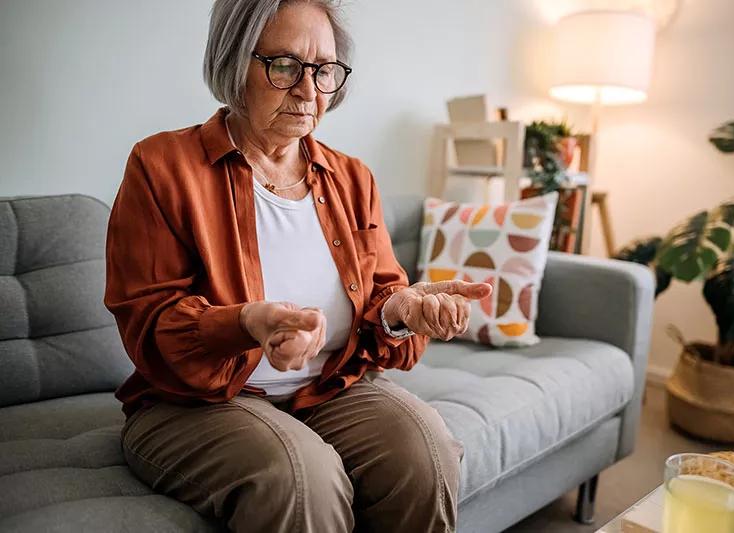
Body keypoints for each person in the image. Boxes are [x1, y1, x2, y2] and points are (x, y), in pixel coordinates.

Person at [104, 0, 492, 531]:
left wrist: (402, 311)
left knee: (425, 451)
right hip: (193, 404)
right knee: (301, 477)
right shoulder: (161, 166)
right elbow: (149, 323)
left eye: (325, 70)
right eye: (285, 66)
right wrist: (245, 324)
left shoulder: (353, 179)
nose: (309, 91)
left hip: (326, 389)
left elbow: (382, 296)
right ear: (235, 60)